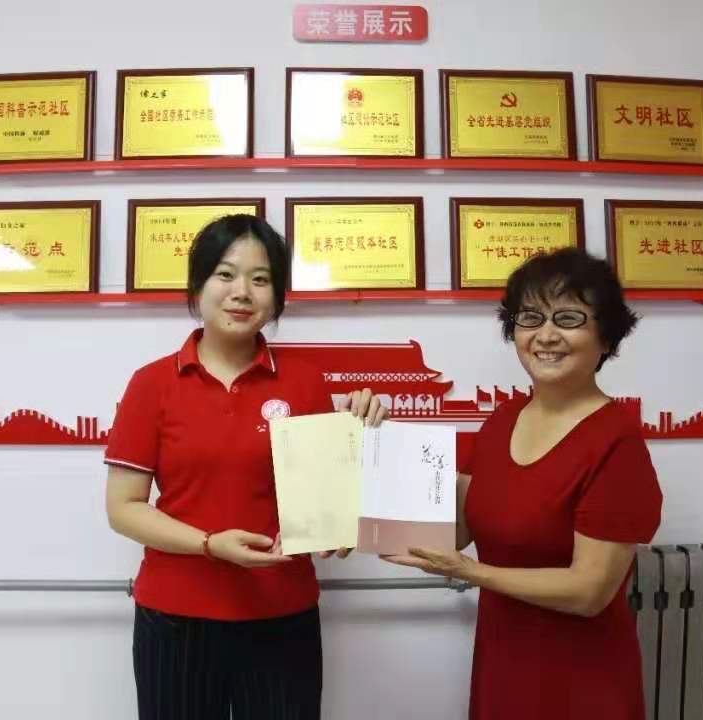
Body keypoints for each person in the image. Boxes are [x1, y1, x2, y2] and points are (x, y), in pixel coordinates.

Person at [104, 214, 386, 720]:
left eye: (260, 279)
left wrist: (361, 454)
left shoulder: (304, 383)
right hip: (176, 617)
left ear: (277, 297)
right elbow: (123, 508)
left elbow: (328, 515)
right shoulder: (152, 384)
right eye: (225, 274)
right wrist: (209, 545)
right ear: (198, 286)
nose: (242, 292)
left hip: (282, 615)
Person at [386, 247, 663, 719]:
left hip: (581, 677)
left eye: (568, 318)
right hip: (503, 662)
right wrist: (372, 447)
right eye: (530, 317)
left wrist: (473, 573)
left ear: (605, 336)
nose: (546, 335)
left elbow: (589, 591)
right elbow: (454, 531)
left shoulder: (616, 442)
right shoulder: (500, 422)